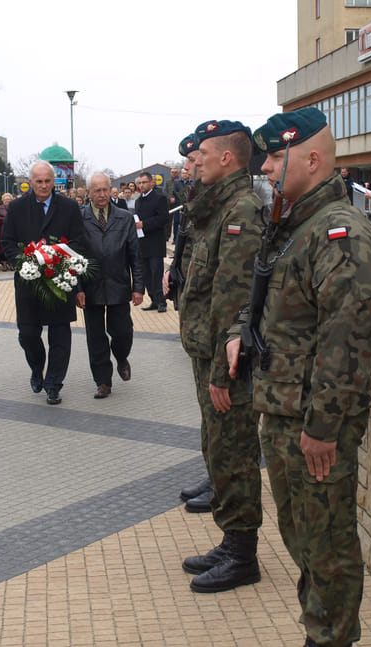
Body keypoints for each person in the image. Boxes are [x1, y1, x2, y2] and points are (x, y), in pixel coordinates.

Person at [226, 107, 371, 647]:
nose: (266, 168)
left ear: (311, 158)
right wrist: (238, 332)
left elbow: (350, 341)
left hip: (314, 425)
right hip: (284, 412)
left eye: (275, 156)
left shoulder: (340, 233)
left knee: (329, 549)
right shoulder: (293, 224)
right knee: (302, 540)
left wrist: (323, 427)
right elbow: (267, 295)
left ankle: (330, 637)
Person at [175, 119, 265, 594]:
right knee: (219, 445)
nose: (196, 162)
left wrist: (221, 371)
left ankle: (242, 552)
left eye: (203, 154)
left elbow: (231, 303)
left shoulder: (242, 210)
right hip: (208, 353)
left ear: (227, 157)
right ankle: (232, 540)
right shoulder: (219, 205)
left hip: (225, 360)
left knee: (234, 450)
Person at [1, 161, 87, 405]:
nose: (43, 185)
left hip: (60, 280)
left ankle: (53, 384)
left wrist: (58, 260)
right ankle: (37, 368)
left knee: (60, 336)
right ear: (31, 182)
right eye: (38, 181)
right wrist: (26, 263)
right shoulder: (17, 207)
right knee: (28, 334)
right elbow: (7, 241)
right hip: (29, 284)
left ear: (54, 181)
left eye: (48, 181)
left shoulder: (69, 207)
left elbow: (78, 241)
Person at [165, 133, 212, 513]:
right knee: (208, 413)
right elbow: (187, 242)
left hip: (217, 333)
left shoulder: (232, 209)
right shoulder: (197, 202)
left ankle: (223, 483)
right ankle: (214, 472)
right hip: (199, 328)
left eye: (195, 161)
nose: (189, 169)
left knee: (223, 417)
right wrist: (175, 272)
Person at [76, 172, 143, 399]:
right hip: (91, 286)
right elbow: (73, 256)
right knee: (95, 336)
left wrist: (138, 287)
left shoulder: (125, 218)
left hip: (119, 284)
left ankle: (121, 356)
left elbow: (135, 256)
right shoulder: (79, 217)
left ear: (110, 189)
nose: (102, 194)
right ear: (89, 193)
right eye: (97, 190)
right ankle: (103, 381)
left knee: (122, 331)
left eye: (105, 189)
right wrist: (78, 289)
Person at [134, 172, 169, 312]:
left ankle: (162, 302)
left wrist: (144, 224)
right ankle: (153, 300)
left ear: (151, 183)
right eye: (139, 183)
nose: (141, 185)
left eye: (144, 182)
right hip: (142, 244)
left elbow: (163, 219)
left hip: (155, 243)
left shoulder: (159, 198)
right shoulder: (138, 201)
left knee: (156, 274)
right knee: (146, 275)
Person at [0, 192, 13, 270]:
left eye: (8, 200)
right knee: (1, 247)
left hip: (11, 230)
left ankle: (11, 262)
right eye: (5, 200)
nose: (7, 201)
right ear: (3, 200)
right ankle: (4, 263)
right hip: (1, 230)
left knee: (10, 245)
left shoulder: (13, 207)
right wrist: (5, 219)